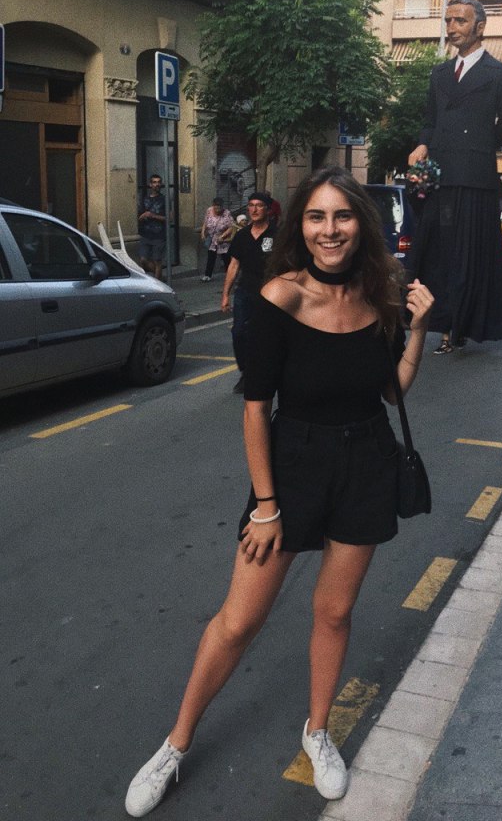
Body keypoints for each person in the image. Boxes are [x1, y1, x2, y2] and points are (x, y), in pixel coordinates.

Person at [124, 167, 434, 817]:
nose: (330, 230)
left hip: (365, 463)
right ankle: (175, 745)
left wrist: (417, 330)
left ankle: (317, 731)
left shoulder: (382, 295)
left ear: (361, 225)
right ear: (302, 225)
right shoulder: (280, 297)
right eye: (317, 217)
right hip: (290, 470)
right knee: (238, 620)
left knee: (335, 613)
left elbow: (391, 392)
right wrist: (265, 508)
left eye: (342, 216)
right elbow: (255, 409)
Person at [407, 0, 502, 354]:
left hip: (474, 180)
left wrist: (477, 147)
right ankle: (441, 323)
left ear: (480, 27)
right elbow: (430, 121)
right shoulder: (439, 74)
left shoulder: (498, 73)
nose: (452, 28)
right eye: (448, 21)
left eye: (460, 21)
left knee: (470, 257)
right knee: (439, 254)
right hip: (439, 177)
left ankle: (462, 326)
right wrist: (423, 144)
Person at [222, 192, 277, 393]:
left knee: (265, 334)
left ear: (268, 210)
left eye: (259, 205)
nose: (254, 209)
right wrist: (225, 294)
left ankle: (266, 371)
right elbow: (234, 265)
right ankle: (246, 371)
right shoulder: (242, 236)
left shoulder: (277, 234)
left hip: (270, 293)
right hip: (245, 291)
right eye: (251, 205)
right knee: (238, 332)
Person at [138, 174, 166, 279]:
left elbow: (169, 218)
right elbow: (139, 215)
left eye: (158, 182)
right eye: (154, 182)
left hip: (159, 235)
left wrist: (153, 215)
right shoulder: (145, 199)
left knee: (157, 260)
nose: (157, 184)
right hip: (145, 234)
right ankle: (160, 278)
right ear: (150, 184)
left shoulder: (164, 199)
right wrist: (142, 217)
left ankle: (158, 283)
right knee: (143, 260)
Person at [199, 197, 235, 281]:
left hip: (223, 239)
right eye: (216, 207)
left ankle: (230, 275)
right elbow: (205, 222)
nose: (217, 209)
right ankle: (207, 275)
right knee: (211, 257)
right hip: (212, 239)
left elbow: (231, 227)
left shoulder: (227, 213)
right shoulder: (209, 210)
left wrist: (222, 236)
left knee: (226, 258)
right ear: (213, 205)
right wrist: (203, 232)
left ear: (222, 206)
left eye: (219, 207)